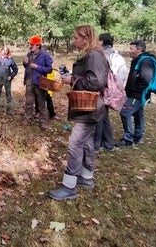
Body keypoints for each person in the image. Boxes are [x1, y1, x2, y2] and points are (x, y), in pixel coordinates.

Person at [49, 25, 109, 201]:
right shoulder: (91, 55)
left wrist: (72, 79)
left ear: (86, 38)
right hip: (89, 108)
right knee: (87, 142)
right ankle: (86, 177)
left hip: (90, 107)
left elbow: (96, 82)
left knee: (75, 144)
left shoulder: (94, 56)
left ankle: (69, 187)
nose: (74, 41)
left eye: (76, 38)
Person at [117, 40, 155, 147]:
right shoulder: (139, 60)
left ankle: (128, 139)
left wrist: (135, 90)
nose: (129, 51)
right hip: (136, 94)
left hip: (137, 94)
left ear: (139, 49)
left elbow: (145, 79)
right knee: (138, 113)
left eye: (131, 48)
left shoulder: (145, 61)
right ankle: (138, 137)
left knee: (125, 112)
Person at [94, 33, 127, 152]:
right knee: (104, 116)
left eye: (98, 40)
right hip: (113, 90)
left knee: (98, 116)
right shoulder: (117, 56)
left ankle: (96, 145)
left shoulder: (103, 55)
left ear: (102, 42)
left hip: (104, 90)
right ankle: (108, 143)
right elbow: (122, 75)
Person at [23, 35, 53, 128]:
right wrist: (25, 63)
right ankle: (28, 119)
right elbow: (27, 67)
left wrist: (37, 67)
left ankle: (43, 122)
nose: (30, 46)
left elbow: (49, 69)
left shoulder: (45, 55)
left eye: (32, 44)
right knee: (29, 102)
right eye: (30, 44)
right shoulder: (29, 54)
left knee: (41, 104)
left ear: (38, 45)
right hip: (29, 82)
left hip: (40, 83)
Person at [0, 46, 18, 115]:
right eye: (4, 50)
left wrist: (11, 76)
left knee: (8, 94)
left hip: (7, 79)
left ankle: (8, 110)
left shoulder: (10, 59)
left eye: (7, 51)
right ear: (1, 50)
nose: (5, 52)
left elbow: (15, 69)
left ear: (8, 52)